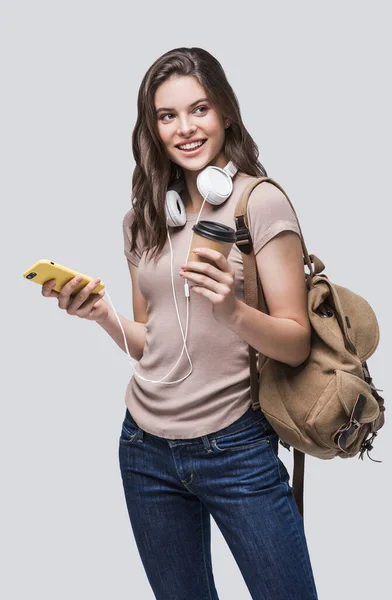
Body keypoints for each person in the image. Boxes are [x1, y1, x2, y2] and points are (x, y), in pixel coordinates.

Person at [42, 47, 319, 600]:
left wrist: (232, 310)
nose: (186, 128)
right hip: (144, 450)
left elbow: (296, 343)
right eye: (168, 116)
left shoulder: (258, 203)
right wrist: (102, 316)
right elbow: (152, 344)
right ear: (152, 127)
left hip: (235, 448)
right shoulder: (141, 219)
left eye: (200, 110)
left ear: (226, 114)